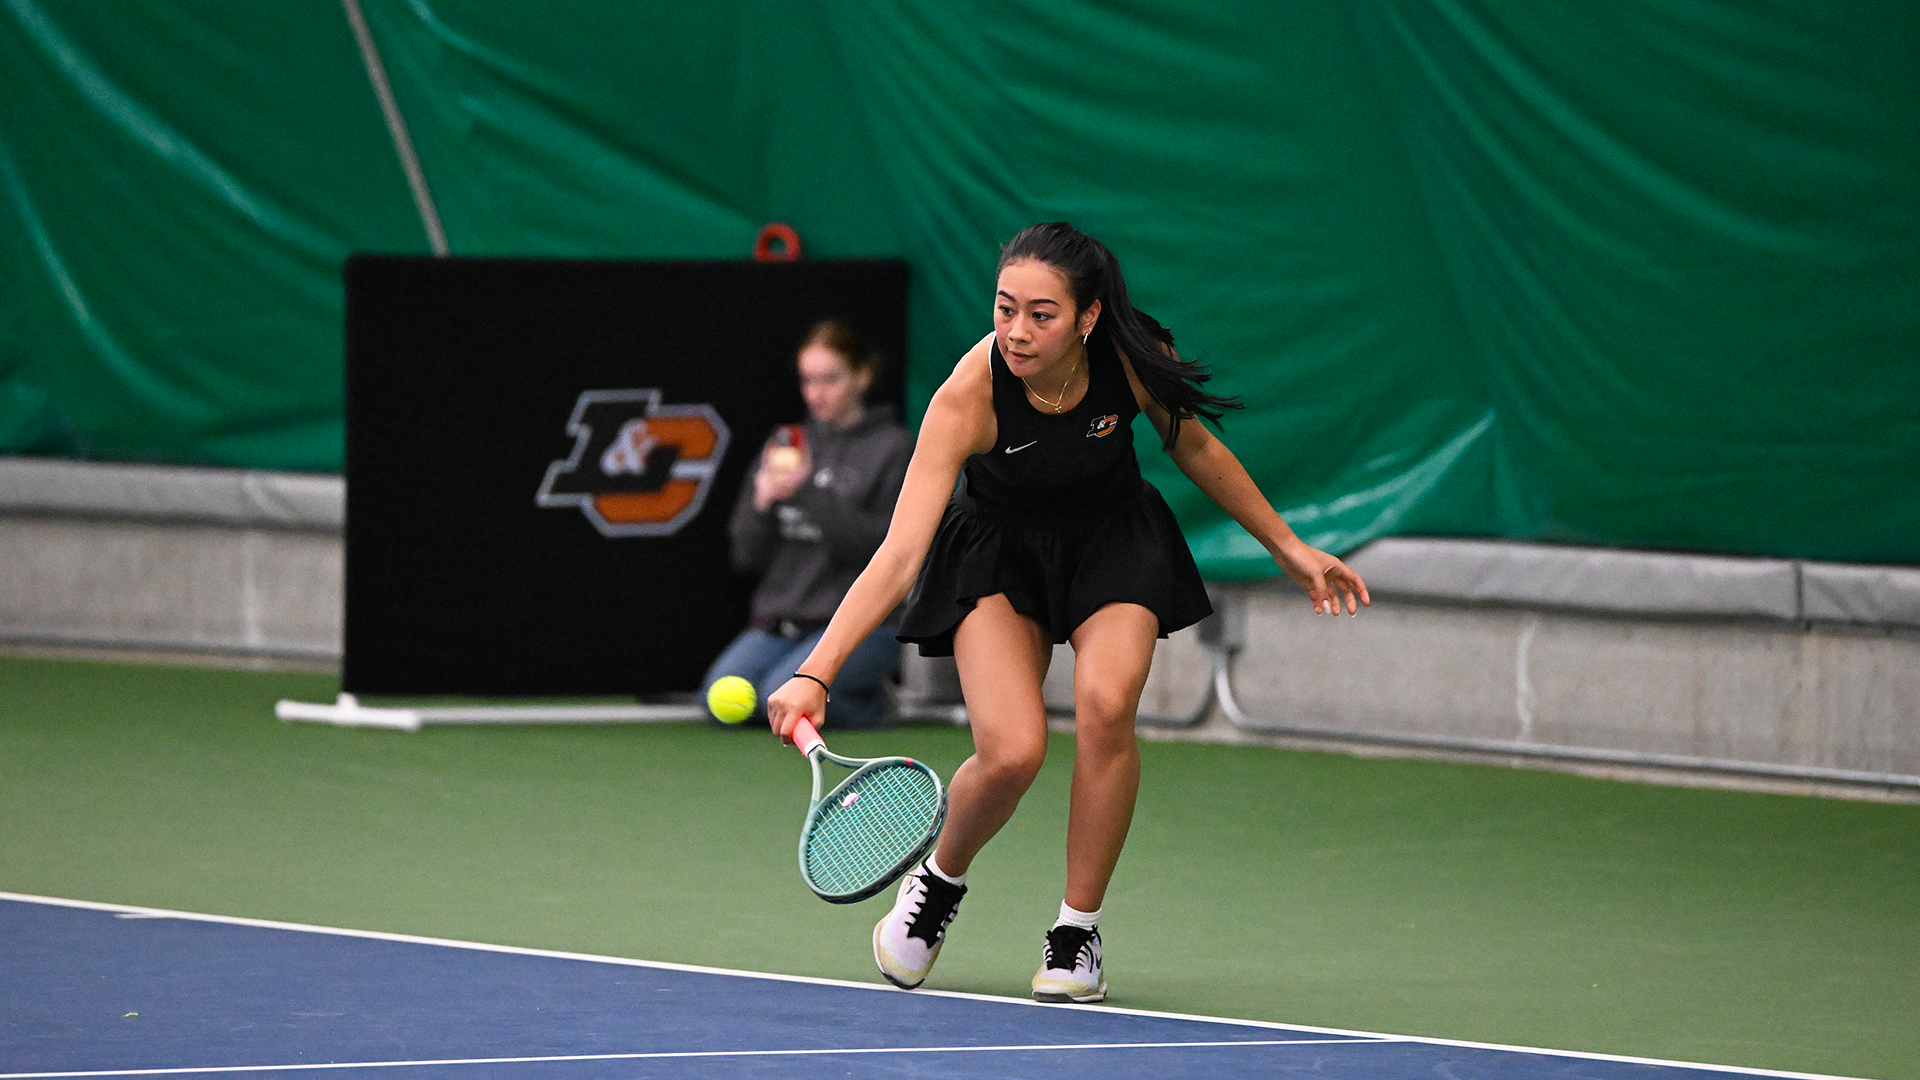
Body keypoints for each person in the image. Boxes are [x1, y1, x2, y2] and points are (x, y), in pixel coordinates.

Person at [766, 223, 1369, 1003]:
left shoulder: (1130, 355)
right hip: (998, 552)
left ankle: (1076, 934)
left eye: (1041, 314)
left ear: (1087, 317)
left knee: (1107, 705)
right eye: (1005, 308)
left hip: (1111, 540)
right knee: (1012, 753)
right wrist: (816, 671)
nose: (1017, 330)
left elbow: (1195, 447)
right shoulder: (968, 395)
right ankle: (938, 882)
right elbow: (901, 553)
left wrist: (1287, 546)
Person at [701, 321, 911, 730]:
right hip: (783, 626)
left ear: (862, 376)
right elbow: (746, 557)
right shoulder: (787, 443)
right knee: (719, 697)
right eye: (807, 380)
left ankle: (876, 704)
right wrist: (761, 506)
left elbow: (884, 550)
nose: (816, 393)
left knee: (779, 697)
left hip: (859, 628)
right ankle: (845, 691)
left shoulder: (894, 448)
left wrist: (807, 493)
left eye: (829, 379)